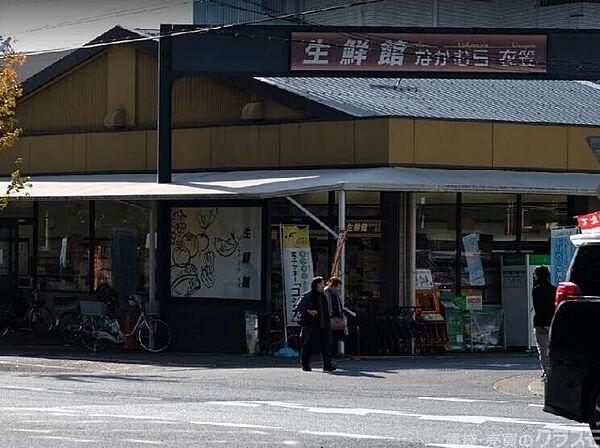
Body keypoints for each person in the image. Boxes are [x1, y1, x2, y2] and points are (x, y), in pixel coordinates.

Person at [294, 276, 335, 372]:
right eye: (321, 284)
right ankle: (305, 364)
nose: (323, 286)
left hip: (323, 324)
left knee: (326, 345)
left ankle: (327, 365)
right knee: (308, 345)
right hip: (311, 325)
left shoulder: (324, 296)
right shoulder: (308, 295)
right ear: (316, 285)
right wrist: (309, 311)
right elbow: (298, 307)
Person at [532, 266, 556, 378]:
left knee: (542, 350)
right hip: (552, 323)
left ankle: (546, 372)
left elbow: (537, 308)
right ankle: (554, 370)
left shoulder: (536, 290)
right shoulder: (554, 289)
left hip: (540, 323)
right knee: (553, 349)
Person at [324, 277, 345, 357]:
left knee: (336, 335)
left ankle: (334, 352)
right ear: (333, 286)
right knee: (330, 336)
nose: (339, 288)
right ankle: (330, 353)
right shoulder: (327, 292)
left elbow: (338, 305)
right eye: (338, 286)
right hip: (329, 317)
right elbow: (327, 305)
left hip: (336, 317)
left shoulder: (336, 294)